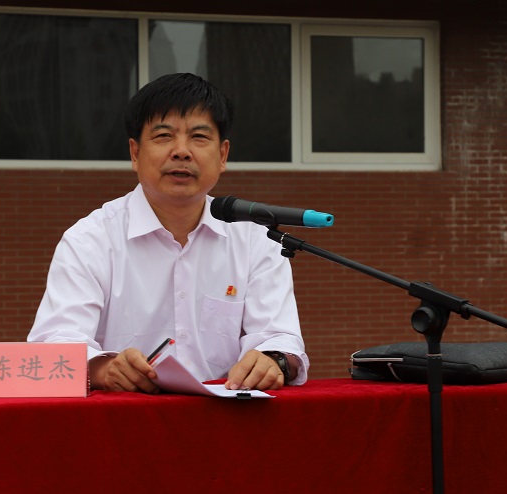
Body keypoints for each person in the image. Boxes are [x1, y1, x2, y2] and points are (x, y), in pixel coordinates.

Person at [28, 73, 309, 393]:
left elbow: (280, 338)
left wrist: (273, 360)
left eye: (199, 137)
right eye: (164, 136)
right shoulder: (89, 240)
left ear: (222, 155)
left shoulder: (255, 239)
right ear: (135, 153)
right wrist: (103, 368)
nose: (181, 152)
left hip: (224, 416)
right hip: (125, 417)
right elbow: (55, 344)